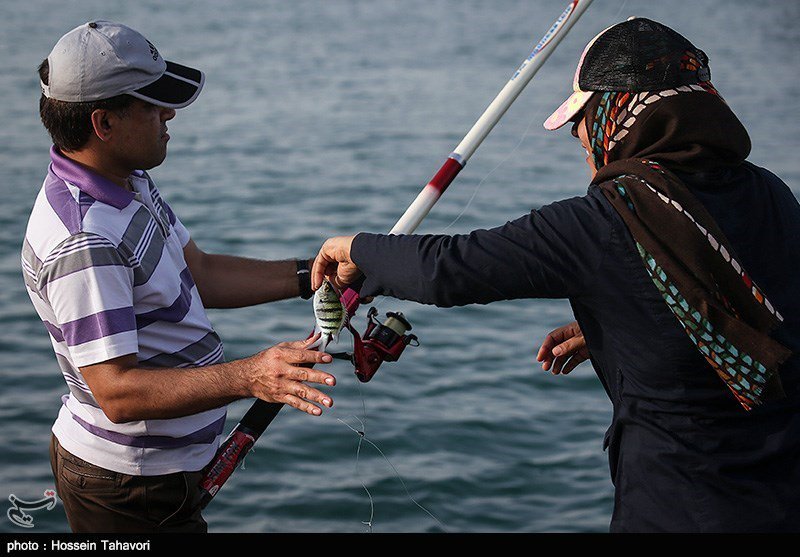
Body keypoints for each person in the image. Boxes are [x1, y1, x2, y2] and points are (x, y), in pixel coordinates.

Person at [311, 18, 800, 532]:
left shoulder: (608, 219)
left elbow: (448, 270)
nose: (579, 135)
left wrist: (357, 248)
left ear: (620, 114)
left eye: (584, 118)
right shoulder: (769, 191)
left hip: (681, 503)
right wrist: (626, 325)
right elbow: (763, 306)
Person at [22, 21, 336, 533]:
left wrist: (311, 275)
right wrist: (251, 375)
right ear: (103, 123)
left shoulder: (125, 181)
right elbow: (118, 395)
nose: (168, 114)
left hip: (162, 474)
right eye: (151, 105)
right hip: (129, 488)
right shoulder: (85, 240)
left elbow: (202, 273)